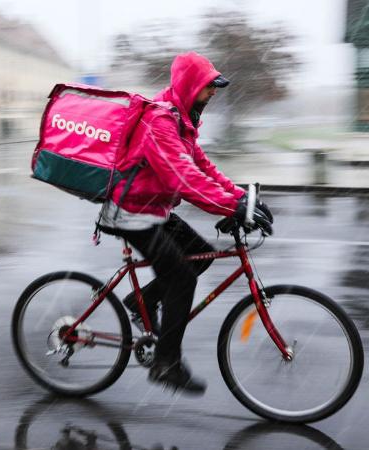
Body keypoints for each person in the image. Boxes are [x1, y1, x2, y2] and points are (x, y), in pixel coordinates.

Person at [97, 52, 273, 395]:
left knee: (200, 256)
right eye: (209, 88)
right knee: (181, 279)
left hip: (152, 209)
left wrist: (242, 199)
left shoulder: (182, 120)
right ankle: (166, 365)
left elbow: (203, 167)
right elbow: (184, 180)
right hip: (130, 212)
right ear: (191, 87)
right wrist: (230, 208)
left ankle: (142, 301)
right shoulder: (160, 122)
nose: (213, 95)